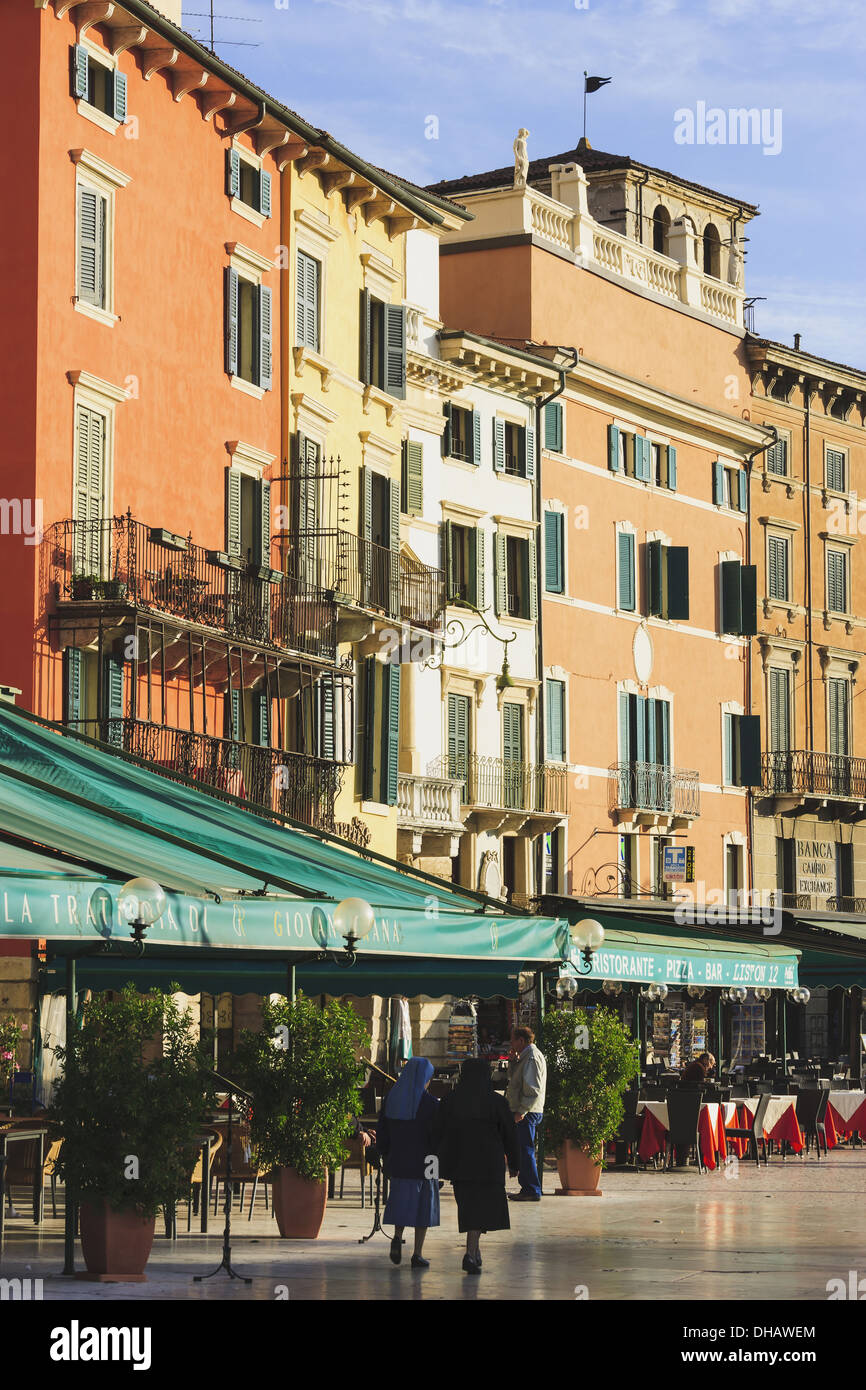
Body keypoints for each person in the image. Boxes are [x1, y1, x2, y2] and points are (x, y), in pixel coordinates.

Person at [433, 1057, 519, 1275]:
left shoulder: (450, 1100)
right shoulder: (496, 1102)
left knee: (470, 1208)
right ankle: (470, 1254)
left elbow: (437, 1133)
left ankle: (475, 1250)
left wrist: (435, 1164)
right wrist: (515, 1163)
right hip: (489, 1166)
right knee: (482, 1210)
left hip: (460, 1164)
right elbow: (510, 1134)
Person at [376, 1056, 439, 1269]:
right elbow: (436, 1138)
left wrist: (386, 1155)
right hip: (426, 1163)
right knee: (424, 1207)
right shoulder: (430, 1104)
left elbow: (382, 1133)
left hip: (399, 1161)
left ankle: (397, 1236)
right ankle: (417, 1254)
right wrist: (438, 1166)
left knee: (401, 1200)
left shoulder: (391, 1099)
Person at [506, 1027, 547, 1201]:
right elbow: (515, 1080)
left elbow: (532, 1089)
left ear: (521, 1041)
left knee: (525, 1150)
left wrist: (521, 1111)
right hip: (526, 1110)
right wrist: (513, 1062)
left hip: (528, 1111)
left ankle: (531, 1189)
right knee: (523, 1149)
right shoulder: (524, 1058)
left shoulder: (531, 1058)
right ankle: (528, 1188)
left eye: (513, 1040)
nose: (511, 1044)